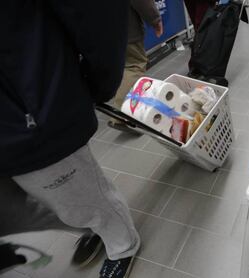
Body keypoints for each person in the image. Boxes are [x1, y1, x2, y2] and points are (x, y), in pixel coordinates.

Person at [0, 1, 141, 277]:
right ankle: (96, 225)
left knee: (78, 196)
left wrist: (100, 82)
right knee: (21, 210)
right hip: (20, 115)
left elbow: (98, 12)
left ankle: (122, 242)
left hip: (29, 114)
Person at [109, 0, 163, 132]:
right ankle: (120, 115)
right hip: (125, 28)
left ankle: (130, 105)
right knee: (134, 66)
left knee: (121, 67)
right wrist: (155, 19)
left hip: (101, 30)